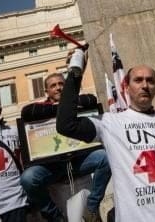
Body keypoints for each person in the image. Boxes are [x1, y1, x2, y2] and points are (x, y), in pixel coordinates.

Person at [56, 53, 155, 221]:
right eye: (138, 80)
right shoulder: (110, 123)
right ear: (126, 86)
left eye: (150, 80)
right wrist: (75, 73)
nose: (145, 85)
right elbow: (66, 125)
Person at [20, 73, 110, 222]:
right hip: (52, 167)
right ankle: (55, 216)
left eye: (62, 84)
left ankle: (92, 206)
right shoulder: (38, 109)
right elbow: (27, 112)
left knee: (105, 158)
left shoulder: (79, 100)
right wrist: (62, 109)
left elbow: (91, 100)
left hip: (79, 161)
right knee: (28, 178)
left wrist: (67, 104)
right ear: (46, 91)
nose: (58, 88)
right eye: (53, 86)